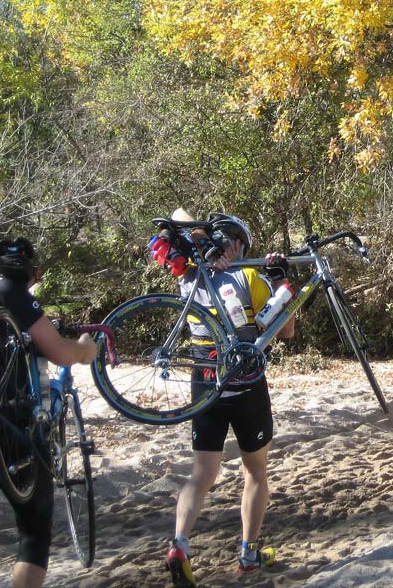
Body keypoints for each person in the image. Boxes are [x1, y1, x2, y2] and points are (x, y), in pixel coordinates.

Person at [153, 209, 294, 587]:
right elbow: (286, 331)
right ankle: (248, 553)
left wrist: (202, 240)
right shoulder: (249, 276)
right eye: (242, 247)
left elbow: (178, 213)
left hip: (205, 380)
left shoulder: (191, 275)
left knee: (201, 473)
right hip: (246, 384)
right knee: (255, 471)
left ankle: (179, 545)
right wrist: (279, 280)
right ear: (237, 245)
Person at [0, 201, 97, 588]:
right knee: (33, 531)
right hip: (9, 426)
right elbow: (59, 352)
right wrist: (85, 350)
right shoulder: (4, 289)